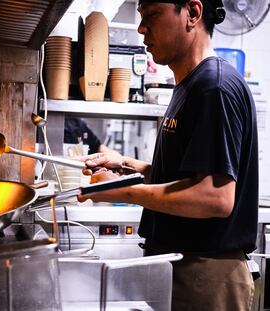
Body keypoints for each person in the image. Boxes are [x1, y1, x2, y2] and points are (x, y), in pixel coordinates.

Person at [78, 0, 258, 310]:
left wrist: (124, 191)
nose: (141, 28)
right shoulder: (190, 86)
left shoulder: (214, 88)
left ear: (192, 14)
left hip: (204, 274)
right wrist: (127, 164)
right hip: (182, 266)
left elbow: (214, 197)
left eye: (152, 14)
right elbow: (187, 177)